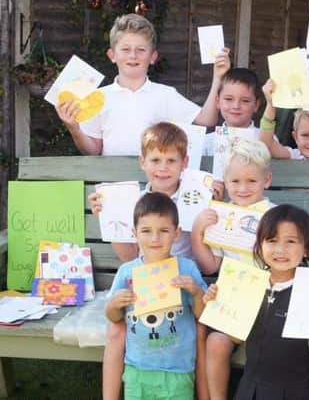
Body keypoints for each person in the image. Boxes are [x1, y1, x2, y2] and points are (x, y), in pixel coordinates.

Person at [89, 122, 221, 400]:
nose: (163, 168)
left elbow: (207, 268)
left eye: (171, 160)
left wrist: (210, 209)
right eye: (156, 160)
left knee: (198, 330)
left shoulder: (197, 194)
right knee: (116, 328)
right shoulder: (132, 201)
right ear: (143, 162)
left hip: (184, 280)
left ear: (184, 163)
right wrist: (108, 217)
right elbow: (129, 258)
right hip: (145, 281)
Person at [203, 204, 309, 400]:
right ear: (260, 246)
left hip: (293, 390)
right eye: (272, 240)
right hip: (251, 387)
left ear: (306, 248)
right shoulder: (250, 283)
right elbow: (236, 338)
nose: (280, 249)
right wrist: (217, 302)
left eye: (290, 241)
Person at [57, 13, 230, 156]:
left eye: (141, 50)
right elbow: (93, 150)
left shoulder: (165, 95)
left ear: (153, 57)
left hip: (156, 187)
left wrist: (218, 77)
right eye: (125, 49)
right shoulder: (97, 98)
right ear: (112, 55)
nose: (133, 55)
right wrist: (74, 128)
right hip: (112, 186)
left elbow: (207, 120)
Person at [191, 138, 274, 400]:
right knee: (212, 339)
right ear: (225, 182)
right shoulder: (220, 218)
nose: (243, 188)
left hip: (270, 302)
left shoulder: (276, 215)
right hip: (234, 301)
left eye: (251, 181)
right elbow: (210, 265)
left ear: (266, 181)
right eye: (235, 181)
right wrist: (198, 232)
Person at [105, 192, 207, 400]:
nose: (154, 238)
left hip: (178, 369)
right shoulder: (127, 272)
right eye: (146, 231)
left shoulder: (186, 269)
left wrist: (196, 292)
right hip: (137, 368)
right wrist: (115, 304)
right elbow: (112, 317)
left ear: (176, 233)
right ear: (135, 233)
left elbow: (202, 314)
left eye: (163, 231)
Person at [202, 68, 262, 156]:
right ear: (218, 102)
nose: (236, 106)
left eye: (245, 101)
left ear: (256, 105)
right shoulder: (207, 142)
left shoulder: (265, 139)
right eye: (229, 99)